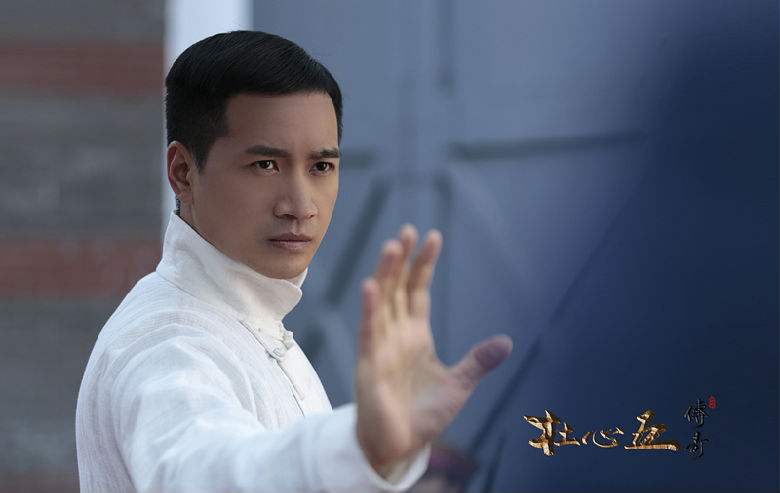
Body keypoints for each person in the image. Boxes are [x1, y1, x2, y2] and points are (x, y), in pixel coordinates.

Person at [75, 30, 513, 493]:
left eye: (321, 167)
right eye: (265, 165)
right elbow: (199, 472)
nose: (300, 206)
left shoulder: (253, 325)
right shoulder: (167, 342)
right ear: (183, 172)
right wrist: (362, 445)